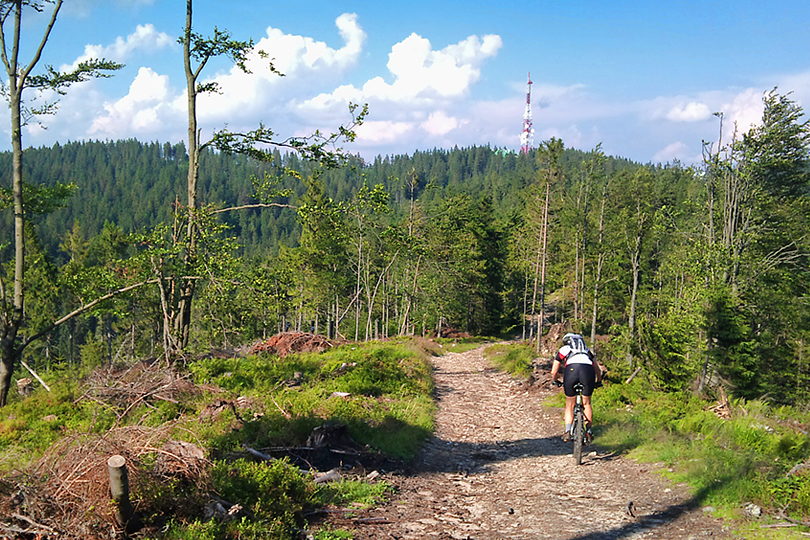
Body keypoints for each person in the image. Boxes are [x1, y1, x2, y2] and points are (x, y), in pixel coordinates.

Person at [550, 333, 604, 443]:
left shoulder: (564, 349)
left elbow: (554, 371)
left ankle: (568, 431)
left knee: (570, 404)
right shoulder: (587, 351)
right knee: (587, 403)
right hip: (587, 371)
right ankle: (589, 431)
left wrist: (555, 380)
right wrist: (598, 381)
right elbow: (598, 370)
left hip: (571, 371)